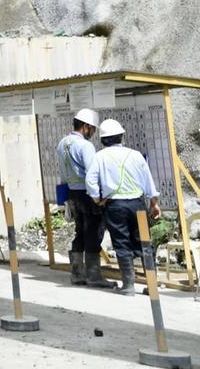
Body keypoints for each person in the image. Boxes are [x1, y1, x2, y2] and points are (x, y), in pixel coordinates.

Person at [86, 118, 161, 295]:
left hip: (115, 206)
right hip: (137, 205)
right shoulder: (135, 155)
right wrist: (154, 203)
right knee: (144, 243)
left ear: (103, 140)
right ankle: (151, 285)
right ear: (121, 136)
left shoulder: (99, 157)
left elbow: (90, 181)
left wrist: (98, 199)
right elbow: (148, 181)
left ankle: (128, 286)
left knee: (121, 243)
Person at [56, 107, 112, 288]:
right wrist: (100, 195)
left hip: (72, 192)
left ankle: (77, 273)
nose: (94, 133)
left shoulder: (63, 143)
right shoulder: (85, 146)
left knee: (80, 231)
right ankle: (94, 275)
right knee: (94, 231)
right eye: (93, 129)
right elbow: (92, 173)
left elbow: (64, 173)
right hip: (87, 194)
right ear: (86, 126)